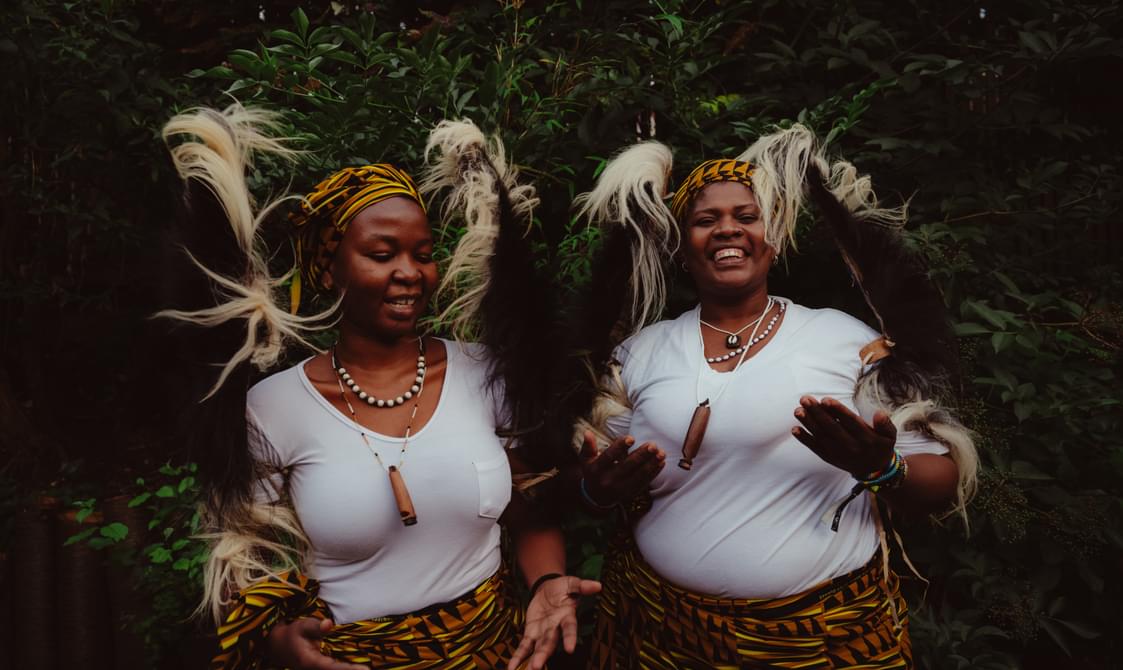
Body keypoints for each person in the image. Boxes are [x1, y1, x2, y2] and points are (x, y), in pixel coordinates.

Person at [159, 105, 596, 670]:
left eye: (423, 254)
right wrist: (275, 639)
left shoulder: (484, 372)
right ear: (329, 270)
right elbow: (243, 562)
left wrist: (548, 583)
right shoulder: (274, 408)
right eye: (381, 254)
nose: (410, 272)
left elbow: (530, 508)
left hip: (490, 652)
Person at [568, 126, 978, 669]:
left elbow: (941, 482)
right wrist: (595, 491)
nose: (726, 230)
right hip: (662, 634)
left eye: (746, 215)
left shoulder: (841, 339)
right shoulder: (641, 353)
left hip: (821, 639)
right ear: (682, 246)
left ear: (775, 237)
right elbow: (589, 480)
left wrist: (882, 467)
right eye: (705, 220)